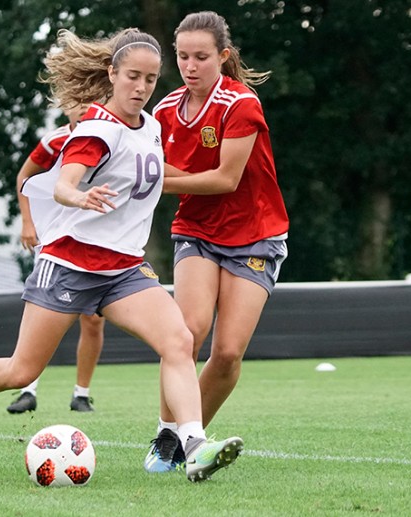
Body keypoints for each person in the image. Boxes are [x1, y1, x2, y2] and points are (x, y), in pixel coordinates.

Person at [0, 27, 243, 483]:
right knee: (21, 371)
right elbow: (63, 183)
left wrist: (208, 175)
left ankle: (192, 446)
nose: (141, 87)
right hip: (70, 264)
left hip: (124, 270)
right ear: (112, 74)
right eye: (132, 76)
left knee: (179, 341)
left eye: (151, 80)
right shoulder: (95, 129)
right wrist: (79, 198)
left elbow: (151, 169)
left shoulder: (151, 127)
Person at [143, 11, 289, 473]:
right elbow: (148, 165)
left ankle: (187, 438)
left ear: (223, 57)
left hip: (255, 235)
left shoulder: (240, 104)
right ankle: (174, 437)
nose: (190, 65)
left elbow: (226, 179)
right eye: (182, 56)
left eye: (201, 57)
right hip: (197, 232)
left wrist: (152, 182)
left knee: (226, 354)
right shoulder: (165, 110)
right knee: (187, 333)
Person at [7, 104, 103, 414]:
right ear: (66, 109)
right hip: (54, 240)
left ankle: (82, 394)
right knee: (41, 310)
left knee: (92, 320)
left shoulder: (109, 137)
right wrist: (27, 222)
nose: (84, 109)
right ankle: (27, 389)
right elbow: (24, 177)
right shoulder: (54, 141)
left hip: (94, 241)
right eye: (78, 104)